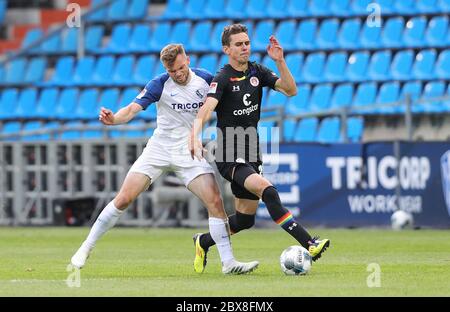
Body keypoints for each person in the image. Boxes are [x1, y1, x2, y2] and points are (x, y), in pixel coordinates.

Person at [70, 44, 259, 275]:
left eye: (180, 68)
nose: (177, 74)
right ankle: (85, 248)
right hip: (159, 147)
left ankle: (228, 263)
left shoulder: (206, 80)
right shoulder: (159, 84)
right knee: (124, 198)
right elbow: (131, 109)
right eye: (172, 71)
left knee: (215, 202)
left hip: (189, 149)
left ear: (187, 60)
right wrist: (114, 119)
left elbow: (226, 104)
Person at [189, 24, 330, 273]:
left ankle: (203, 241)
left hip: (252, 150)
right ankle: (309, 243)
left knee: (245, 220)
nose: (245, 48)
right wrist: (194, 136)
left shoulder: (258, 71)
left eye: (247, 43)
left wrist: (280, 61)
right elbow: (206, 109)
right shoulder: (222, 78)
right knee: (269, 191)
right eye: (238, 44)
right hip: (228, 152)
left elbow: (291, 90)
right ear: (226, 49)